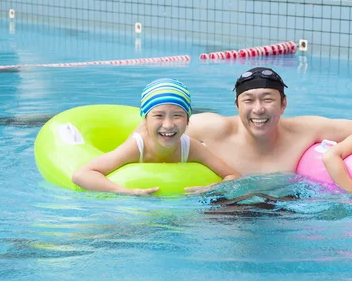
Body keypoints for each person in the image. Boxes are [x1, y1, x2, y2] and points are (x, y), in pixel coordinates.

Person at [185, 67, 352, 175]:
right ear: (237, 105)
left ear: (283, 104)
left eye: (267, 99)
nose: (258, 109)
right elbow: (162, 129)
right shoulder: (215, 129)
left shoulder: (303, 130)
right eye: (248, 100)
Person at [72, 78, 240, 195]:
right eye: (159, 116)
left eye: (177, 116)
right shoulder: (136, 147)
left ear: (188, 120)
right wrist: (124, 191)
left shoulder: (191, 147)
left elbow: (233, 176)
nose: (168, 124)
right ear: (145, 120)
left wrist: (211, 188)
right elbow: (81, 175)